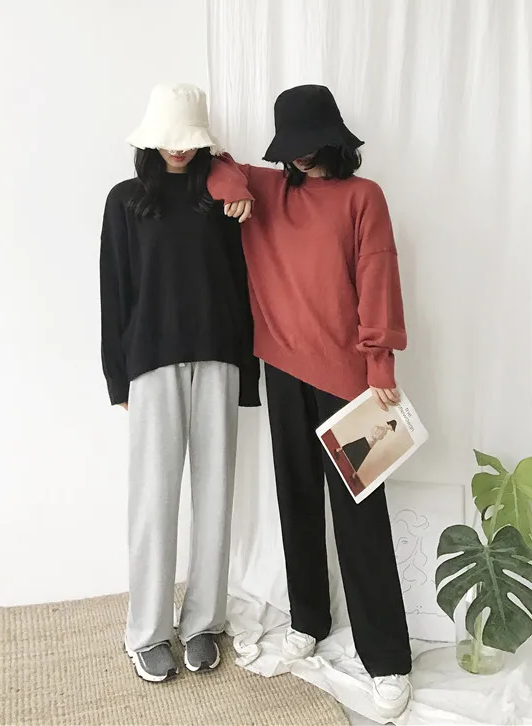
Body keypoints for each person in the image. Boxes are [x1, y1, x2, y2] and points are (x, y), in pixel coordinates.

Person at [206, 85, 412, 718]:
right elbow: (217, 166)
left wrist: (380, 361)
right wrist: (231, 187)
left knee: (361, 515)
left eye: (307, 144)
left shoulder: (363, 196)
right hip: (283, 368)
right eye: (289, 147)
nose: (298, 157)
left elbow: (378, 274)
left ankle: (388, 658)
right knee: (295, 498)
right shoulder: (270, 190)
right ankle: (308, 620)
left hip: (351, 377)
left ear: (333, 138)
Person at [99, 83, 259, 683]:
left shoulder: (220, 198)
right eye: (168, 139)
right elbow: (113, 290)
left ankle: (203, 622)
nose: (178, 151)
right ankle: (146, 631)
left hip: (219, 356)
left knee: (216, 493)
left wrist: (248, 372)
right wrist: (117, 377)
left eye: (188, 140)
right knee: (154, 498)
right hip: (152, 362)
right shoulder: (125, 201)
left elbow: (243, 285)